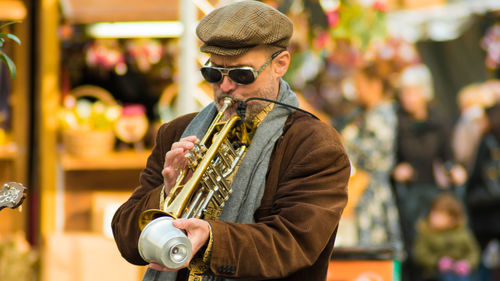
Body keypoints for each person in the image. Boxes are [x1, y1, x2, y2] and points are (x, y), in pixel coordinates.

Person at [111, 2, 350, 281]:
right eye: (213, 73)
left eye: (241, 74)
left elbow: (293, 244)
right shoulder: (175, 132)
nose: (225, 87)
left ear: (280, 64)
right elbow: (127, 238)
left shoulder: (313, 144)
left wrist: (212, 239)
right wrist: (167, 192)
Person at [392, 64, 467, 281]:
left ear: (425, 91)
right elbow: (394, 158)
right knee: (414, 244)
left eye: (412, 91)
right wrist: (398, 170)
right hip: (409, 194)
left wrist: (454, 169)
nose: (408, 97)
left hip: (434, 191)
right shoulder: (398, 121)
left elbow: (448, 155)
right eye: (404, 92)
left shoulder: (439, 118)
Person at [341, 59, 403, 258]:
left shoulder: (381, 115)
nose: (357, 91)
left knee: (371, 258)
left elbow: (372, 159)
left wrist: (345, 143)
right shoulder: (366, 114)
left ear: (375, 85)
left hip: (370, 194)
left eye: (359, 85)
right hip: (362, 191)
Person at [465, 103, 500, 280]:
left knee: (487, 268)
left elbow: (486, 179)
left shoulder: (490, 144)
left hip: (488, 215)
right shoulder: (487, 141)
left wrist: (473, 198)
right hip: (488, 214)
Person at [413, 192, 480, 281]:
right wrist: (438, 262)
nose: (434, 217)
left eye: (440, 215)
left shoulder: (462, 233)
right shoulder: (426, 233)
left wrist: (467, 263)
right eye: (433, 213)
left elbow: (474, 252)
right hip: (435, 273)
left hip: (460, 272)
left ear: (452, 219)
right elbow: (420, 254)